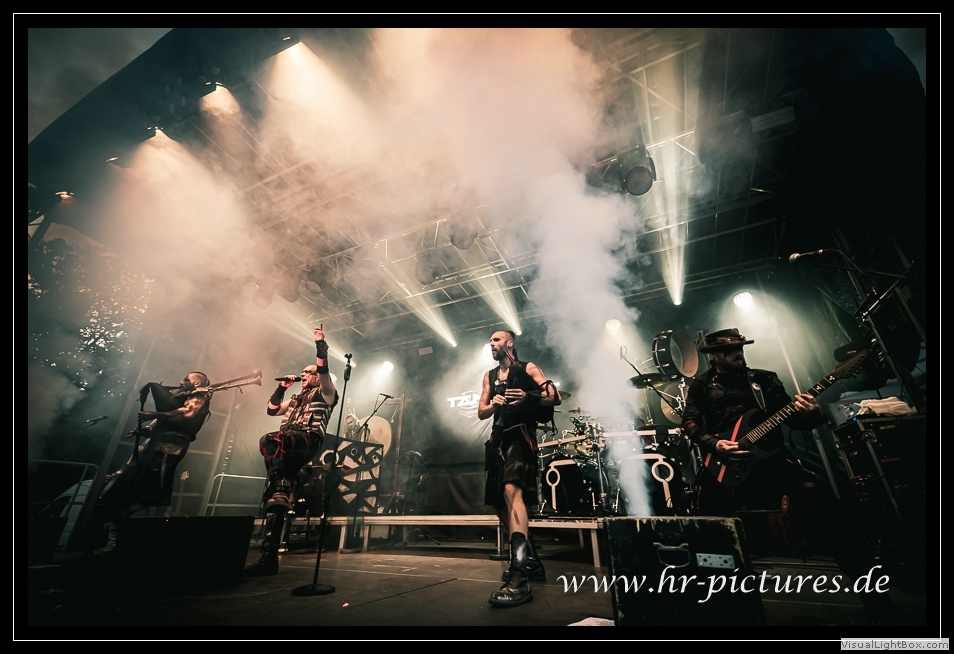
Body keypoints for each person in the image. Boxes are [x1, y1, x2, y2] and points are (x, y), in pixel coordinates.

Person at [681, 328, 907, 625]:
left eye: (740, 347)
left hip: (771, 462)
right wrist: (715, 444)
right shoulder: (700, 386)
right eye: (729, 350)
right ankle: (715, 607)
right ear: (714, 357)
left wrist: (811, 413)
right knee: (707, 529)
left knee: (828, 509)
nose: (738, 353)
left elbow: (797, 422)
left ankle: (875, 599)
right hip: (723, 465)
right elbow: (690, 423)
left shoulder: (764, 379)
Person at [244, 326, 339, 577]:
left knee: (269, 439)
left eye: (308, 372)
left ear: (317, 377)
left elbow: (324, 371)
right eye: (302, 372)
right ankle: (269, 557)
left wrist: (320, 345)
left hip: (306, 440)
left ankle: (278, 486)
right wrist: (283, 388)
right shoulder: (296, 398)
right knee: (276, 496)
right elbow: (272, 410)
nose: (303, 375)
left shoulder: (326, 392)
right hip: (286, 445)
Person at [477, 329, 561, 607]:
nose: (491, 344)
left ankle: (520, 575)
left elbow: (555, 397)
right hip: (498, 438)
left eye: (496, 340)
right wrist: (493, 404)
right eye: (491, 341)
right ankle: (532, 562)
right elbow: (480, 411)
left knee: (512, 491)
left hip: (520, 434)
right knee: (499, 502)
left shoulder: (528, 367)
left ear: (509, 343)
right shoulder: (489, 376)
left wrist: (528, 396)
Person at [95, 371, 213, 554]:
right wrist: (148, 431)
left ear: (197, 384)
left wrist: (156, 414)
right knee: (128, 490)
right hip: (158, 445)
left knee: (141, 494)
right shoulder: (186, 398)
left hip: (167, 447)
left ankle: (130, 545)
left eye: (186, 379)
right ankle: (119, 542)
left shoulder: (199, 397)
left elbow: (188, 414)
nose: (181, 382)